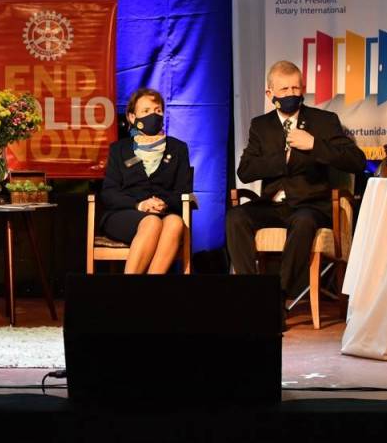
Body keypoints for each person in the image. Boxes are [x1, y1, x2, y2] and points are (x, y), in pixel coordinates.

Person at [226, 60, 366, 325]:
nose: (291, 94)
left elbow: (356, 161)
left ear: (302, 89)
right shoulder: (261, 125)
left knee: (303, 222)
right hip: (272, 205)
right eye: (284, 89)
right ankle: (252, 294)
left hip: (310, 206)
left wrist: (313, 144)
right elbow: (246, 171)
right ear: (270, 94)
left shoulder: (323, 121)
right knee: (235, 217)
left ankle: (277, 298)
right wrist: (284, 159)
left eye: (295, 88)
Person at [98, 88, 192, 274]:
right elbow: (109, 193)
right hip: (125, 213)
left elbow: (183, 191)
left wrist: (164, 203)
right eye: (146, 111)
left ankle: (148, 289)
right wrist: (140, 205)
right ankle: (129, 288)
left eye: (158, 110)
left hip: (164, 212)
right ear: (132, 117)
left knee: (175, 223)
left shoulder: (178, 148)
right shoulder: (119, 149)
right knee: (151, 222)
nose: (153, 115)